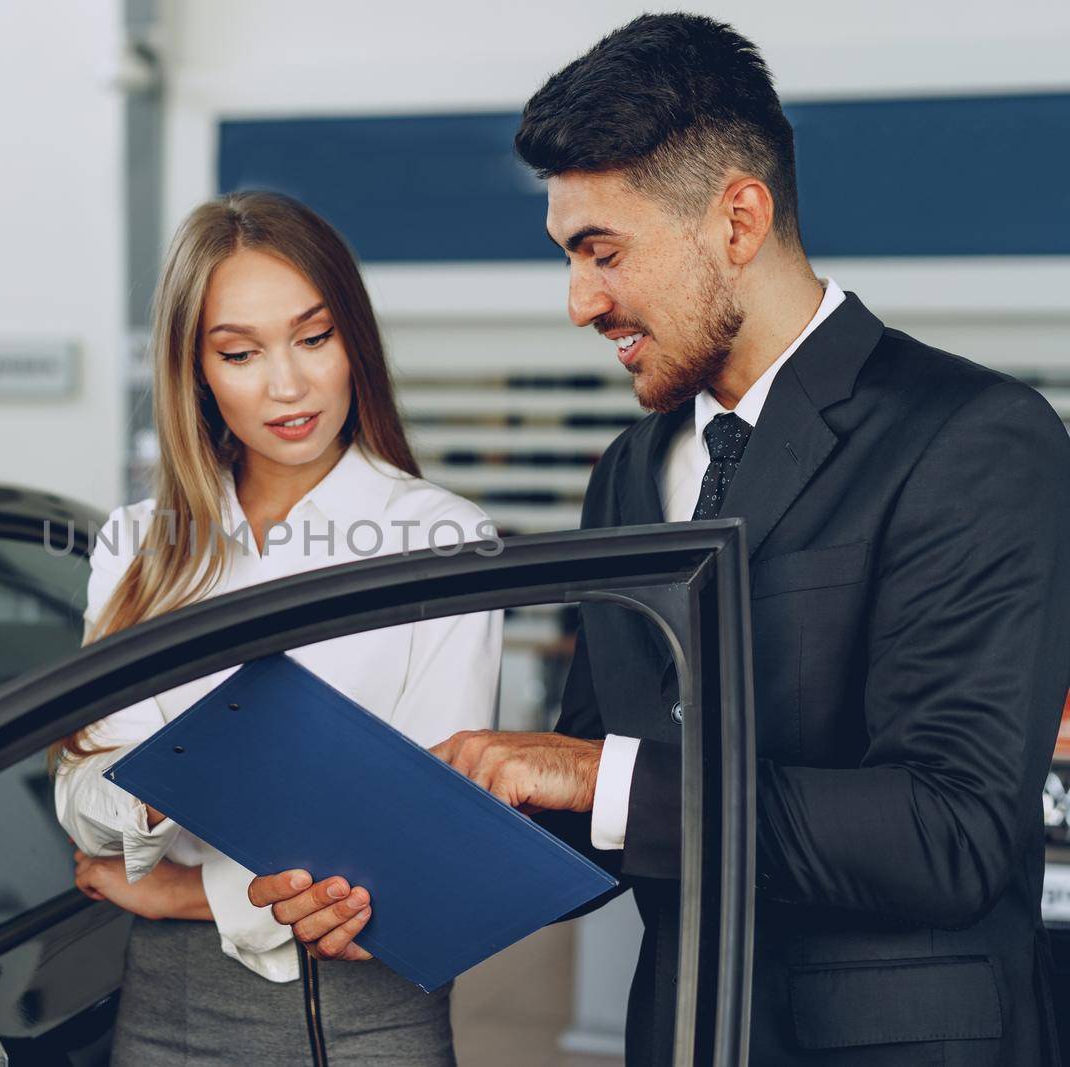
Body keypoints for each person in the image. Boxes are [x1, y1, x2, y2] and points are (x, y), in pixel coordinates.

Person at [248, 13, 1070, 1066]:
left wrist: (594, 774)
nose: (580, 302)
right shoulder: (628, 473)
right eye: (567, 256)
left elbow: (947, 833)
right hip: (681, 1035)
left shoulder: (971, 435)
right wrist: (389, 870)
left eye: (603, 252)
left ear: (737, 219)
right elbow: (587, 808)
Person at [53, 190, 503, 1065]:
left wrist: (185, 888)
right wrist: (146, 797)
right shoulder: (138, 545)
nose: (288, 384)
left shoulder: (442, 538)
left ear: (353, 341)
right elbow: (86, 806)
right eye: (240, 351)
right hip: (166, 1008)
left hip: (366, 1010)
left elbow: (415, 846)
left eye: (314, 337)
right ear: (198, 370)